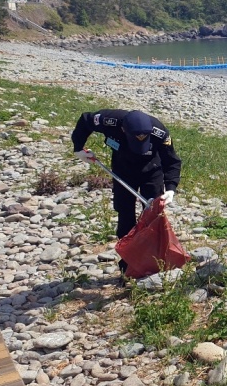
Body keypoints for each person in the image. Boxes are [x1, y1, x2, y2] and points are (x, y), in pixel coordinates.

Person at [71, 109, 182, 278]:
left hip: (152, 170)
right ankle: (128, 268)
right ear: (123, 130)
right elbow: (85, 120)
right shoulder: (109, 121)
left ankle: (154, 265)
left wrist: (171, 188)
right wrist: (78, 147)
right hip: (123, 170)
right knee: (125, 216)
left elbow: (172, 161)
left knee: (154, 216)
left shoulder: (159, 132)